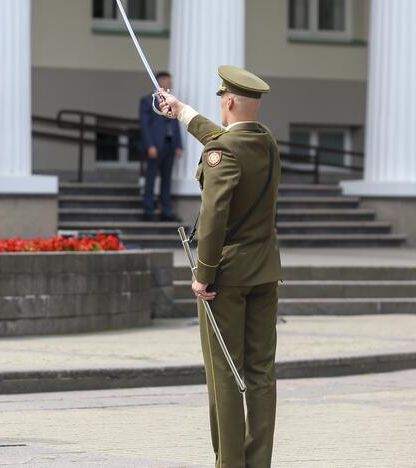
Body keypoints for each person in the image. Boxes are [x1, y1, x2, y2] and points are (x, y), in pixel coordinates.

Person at [159, 65, 281, 468]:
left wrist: (202, 274)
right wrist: (181, 111)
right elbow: (222, 138)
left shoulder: (222, 153)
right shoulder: (266, 143)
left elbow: (213, 218)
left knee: (225, 373)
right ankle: (258, 461)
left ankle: (230, 463)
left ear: (228, 101)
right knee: (261, 372)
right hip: (265, 270)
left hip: (225, 278)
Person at [139, 71, 183, 222]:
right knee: (151, 177)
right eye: (166, 81)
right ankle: (148, 209)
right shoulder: (147, 101)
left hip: (169, 146)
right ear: (159, 81)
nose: (169, 83)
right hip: (155, 146)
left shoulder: (172, 100)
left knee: (166, 179)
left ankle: (166, 209)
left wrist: (178, 145)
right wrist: (149, 145)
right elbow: (144, 125)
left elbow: (176, 123)